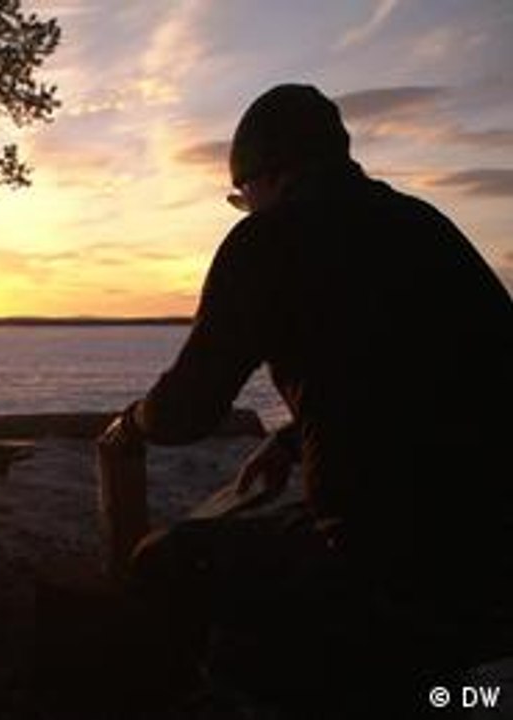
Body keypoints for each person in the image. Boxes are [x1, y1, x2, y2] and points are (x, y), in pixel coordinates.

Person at [98, 84, 513, 711]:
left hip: (385, 561)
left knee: (164, 564)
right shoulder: (425, 226)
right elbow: (428, 365)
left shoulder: (268, 240)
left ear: (266, 176)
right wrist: (294, 438)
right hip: (495, 549)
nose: (245, 209)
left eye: (241, 197)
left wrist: (131, 423)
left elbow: (187, 410)